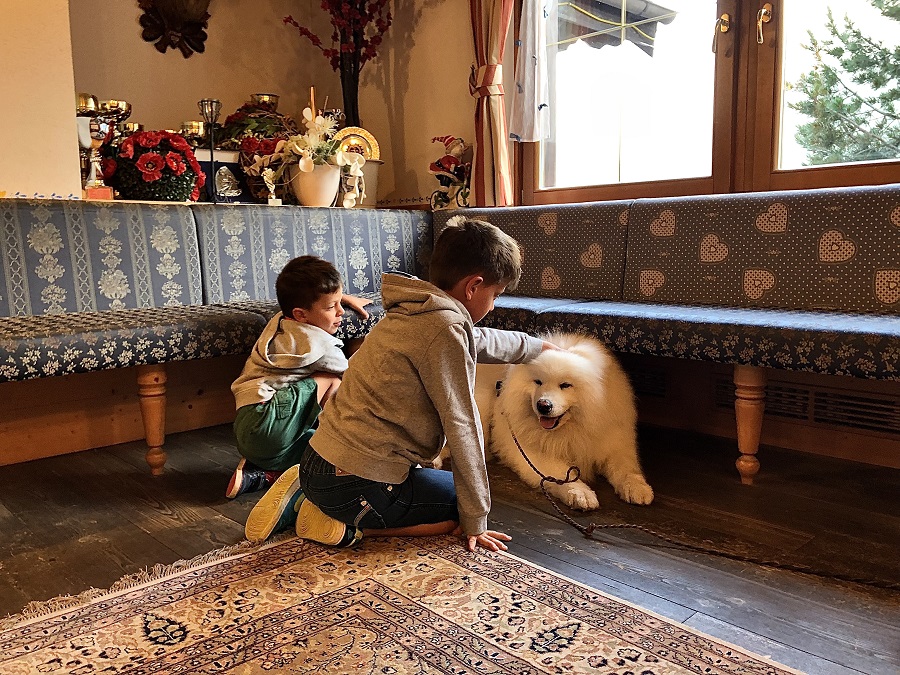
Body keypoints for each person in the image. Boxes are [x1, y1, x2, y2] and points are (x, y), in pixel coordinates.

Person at [244, 216, 559, 552]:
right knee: (457, 508)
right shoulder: (444, 328)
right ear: (473, 286)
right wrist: (476, 519)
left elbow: (476, 339)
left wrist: (537, 347)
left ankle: (307, 493)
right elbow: (462, 424)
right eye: (495, 294)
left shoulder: (416, 309)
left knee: (448, 490)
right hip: (354, 485)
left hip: (317, 462)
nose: (493, 304)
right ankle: (342, 526)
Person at [225, 256, 371, 506]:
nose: (340, 312)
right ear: (301, 314)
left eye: (340, 303)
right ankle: (337, 454)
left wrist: (339, 298)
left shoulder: (279, 321)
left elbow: (301, 303)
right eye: (331, 307)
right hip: (268, 424)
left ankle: (264, 472)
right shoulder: (321, 347)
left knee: (314, 441)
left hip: (247, 424)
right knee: (332, 382)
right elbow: (354, 381)